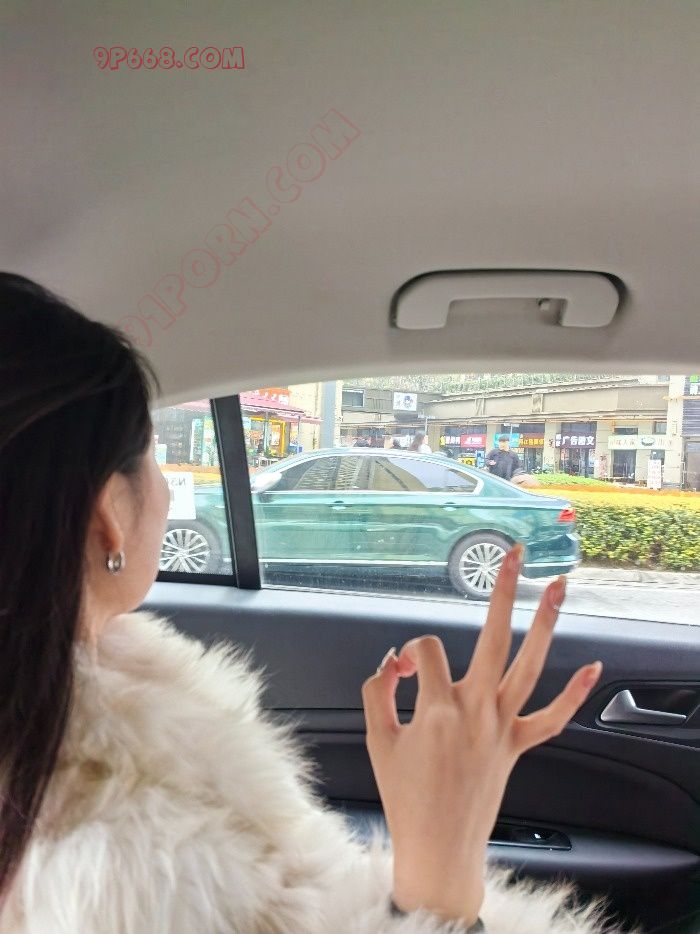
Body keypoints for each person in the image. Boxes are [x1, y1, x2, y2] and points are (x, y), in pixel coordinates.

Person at [0, 273, 610, 933]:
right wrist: (441, 875)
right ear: (110, 517)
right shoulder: (139, 868)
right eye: (151, 457)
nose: (167, 491)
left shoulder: (71, 791)